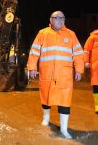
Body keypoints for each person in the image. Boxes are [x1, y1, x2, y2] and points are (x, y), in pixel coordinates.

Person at [27, 11, 84, 139]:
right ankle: (46, 118)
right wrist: (32, 67)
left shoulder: (71, 34)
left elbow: (78, 54)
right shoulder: (43, 33)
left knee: (65, 100)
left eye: (62, 18)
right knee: (46, 97)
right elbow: (34, 51)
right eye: (56, 18)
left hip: (64, 74)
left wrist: (79, 70)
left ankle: (64, 129)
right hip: (47, 72)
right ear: (51, 20)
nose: (60, 20)